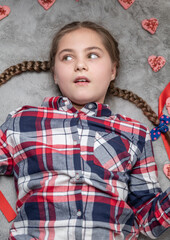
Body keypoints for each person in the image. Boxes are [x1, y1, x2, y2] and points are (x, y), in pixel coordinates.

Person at [0, 21, 169, 240]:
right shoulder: (22, 120)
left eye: (92, 55)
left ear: (113, 70)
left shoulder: (135, 133)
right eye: (67, 57)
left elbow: (148, 220)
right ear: (55, 74)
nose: (80, 65)